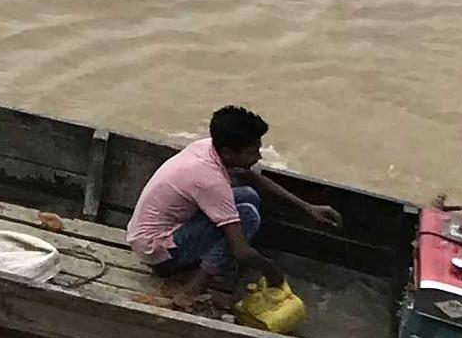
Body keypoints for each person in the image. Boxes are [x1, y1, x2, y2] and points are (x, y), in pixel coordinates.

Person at [127, 104, 339, 308]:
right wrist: (272, 270)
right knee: (247, 215)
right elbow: (241, 251)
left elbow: (250, 177)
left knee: (248, 195)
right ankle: (193, 289)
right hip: (158, 251)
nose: (258, 157)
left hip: (157, 234)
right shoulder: (209, 178)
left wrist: (308, 207)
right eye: (252, 152)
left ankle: (202, 264)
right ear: (228, 153)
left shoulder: (210, 147)